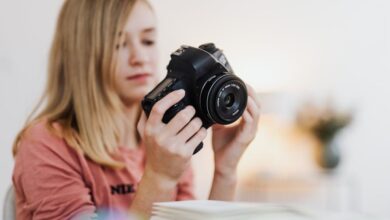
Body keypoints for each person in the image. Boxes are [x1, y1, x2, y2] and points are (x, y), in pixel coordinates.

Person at [12, 0, 261, 219]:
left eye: (148, 40)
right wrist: (160, 176)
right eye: (119, 43)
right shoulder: (46, 145)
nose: (139, 57)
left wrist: (225, 172)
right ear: (83, 54)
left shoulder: (167, 134)